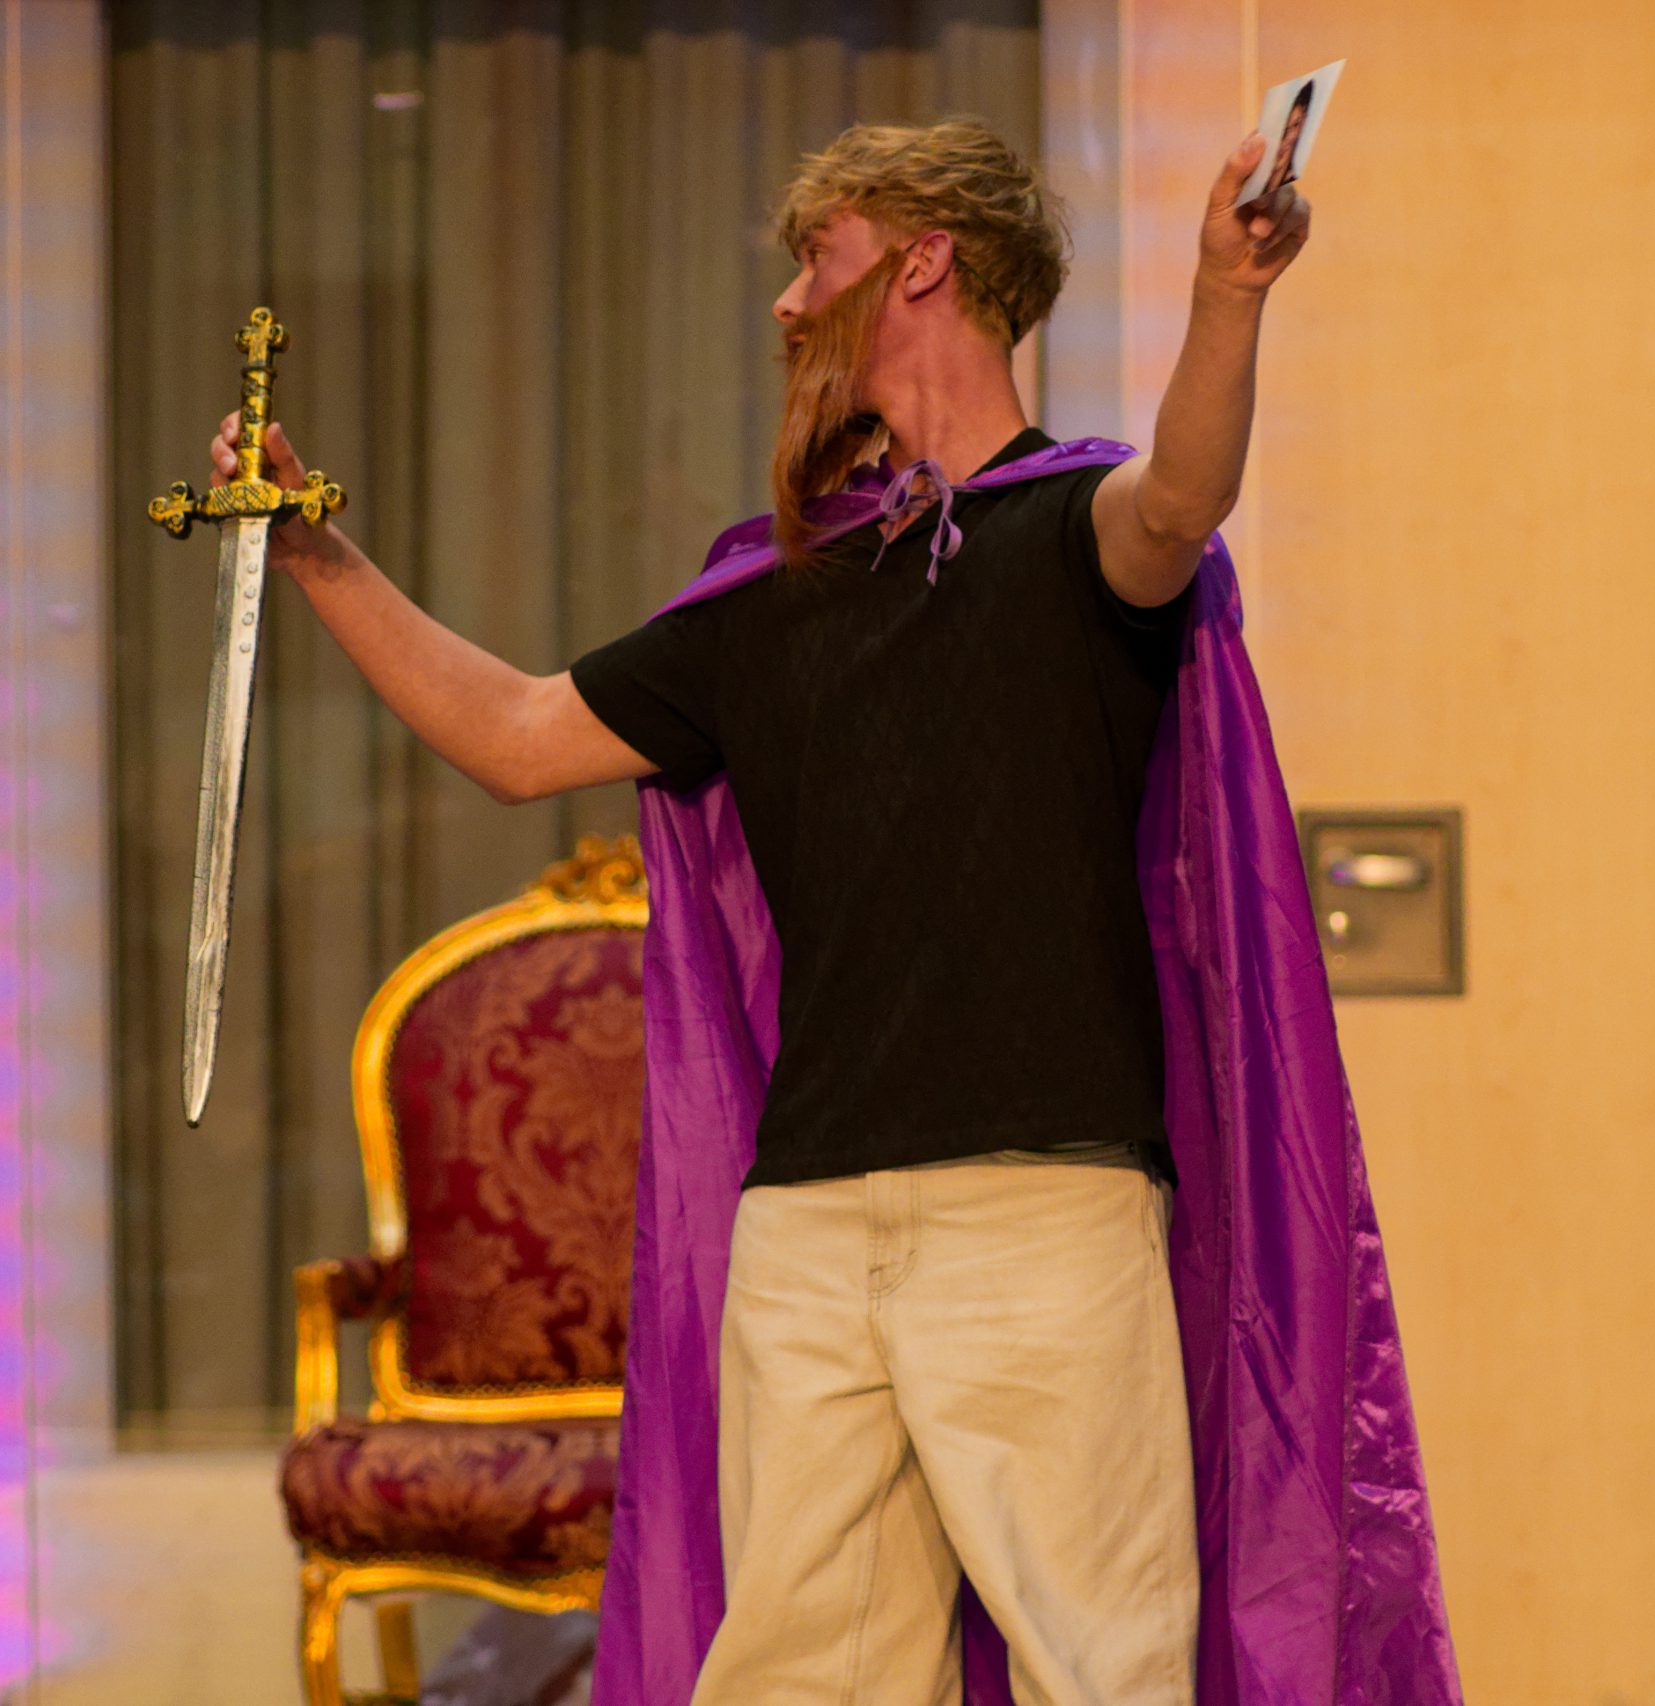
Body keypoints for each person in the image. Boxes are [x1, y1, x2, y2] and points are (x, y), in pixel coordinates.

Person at [209, 118, 1458, 1705]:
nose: (790, 302)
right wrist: (317, 553)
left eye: (820, 257)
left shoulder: (1078, 537)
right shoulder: (769, 599)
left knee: (1101, 1672)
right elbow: (518, 736)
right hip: (805, 1229)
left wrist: (1228, 291)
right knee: (797, 1680)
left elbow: (1181, 500)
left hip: (1043, 1218)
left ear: (924, 261)